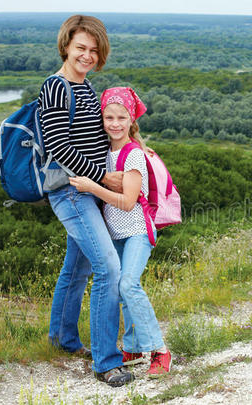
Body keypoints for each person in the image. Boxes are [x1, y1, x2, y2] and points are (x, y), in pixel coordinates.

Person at [40, 15, 133, 387]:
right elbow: (58, 146)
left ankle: (61, 339)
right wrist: (101, 178)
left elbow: (99, 138)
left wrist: (135, 152)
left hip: (89, 192)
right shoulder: (55, 87)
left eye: (94, 50)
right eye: (81, 47)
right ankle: (106, 361)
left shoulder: (86, 86)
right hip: (71, 191)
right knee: (109, 268)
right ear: (66, 46)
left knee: (76, 270)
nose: (87, 55)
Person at [69, 86, 172, 377]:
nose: (114, 124)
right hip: (115, 234)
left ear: (132, 121)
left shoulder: (133, 156)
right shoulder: (104, 152)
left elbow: (127, 203)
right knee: (119, 290)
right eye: (109, 117)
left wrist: (93, 188)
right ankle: (133, 348)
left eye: (121, 118)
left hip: (138, 231)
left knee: (128, 285)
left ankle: (159, 350)